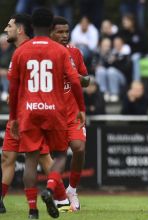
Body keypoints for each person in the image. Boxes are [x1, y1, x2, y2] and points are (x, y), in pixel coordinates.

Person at [8, 8, 85, 219]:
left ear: (31, 26)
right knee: (60, 155)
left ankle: (32, 211)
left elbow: (13, 88)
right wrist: (82, 109)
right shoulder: (61, 51)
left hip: (29, 111)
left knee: (31, 160)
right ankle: (50, 189)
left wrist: (13, 116)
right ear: (51, 27)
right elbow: (76, 82)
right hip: (54, 111)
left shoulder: (21, 51)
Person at [0, 13, 62, 216]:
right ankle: (1, 199)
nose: (5, 30)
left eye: (9, 26)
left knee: (43, 159)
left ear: (20, 29)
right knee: (7, 157)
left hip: (30, 115)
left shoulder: (30, 51)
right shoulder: (16, 53)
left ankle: (60, 200)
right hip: (18, 115)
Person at [50, 15, 90, 211]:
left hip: (73, 114)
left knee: (79, 148)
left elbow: (87, 79)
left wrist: (76, 77)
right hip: (51, 114)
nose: (64, 35)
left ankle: (72, 190)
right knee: (52, 157)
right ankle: (57, 195)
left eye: (66, 32)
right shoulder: (44, 55)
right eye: (60, 32)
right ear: (50, 33)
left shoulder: (75, 53)